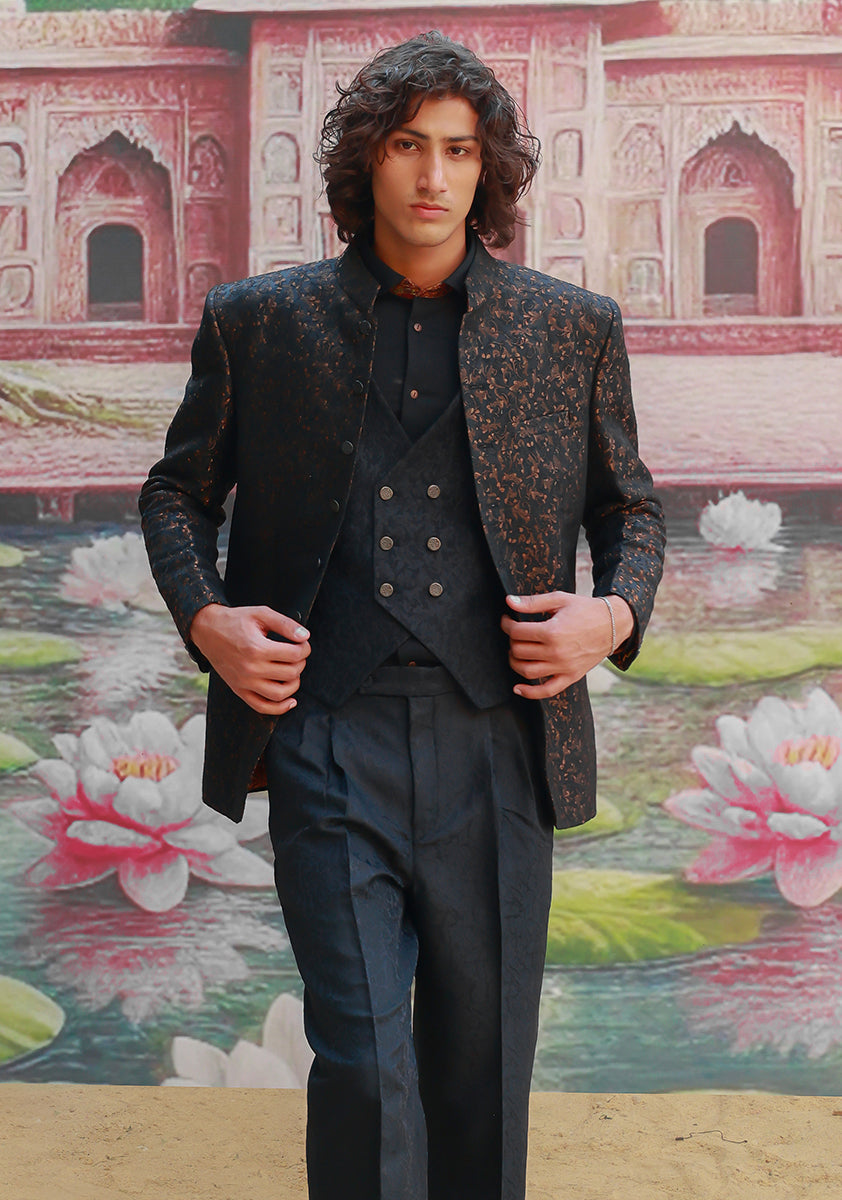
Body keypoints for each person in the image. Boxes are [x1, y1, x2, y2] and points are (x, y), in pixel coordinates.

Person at [139, 30, 665, 1200]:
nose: (432, 175)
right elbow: (176, 493)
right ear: (364, 160)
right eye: (406, 145)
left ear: (489, 169)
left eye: (459, 150)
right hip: (325, 735)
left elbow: (630, 508)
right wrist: (210, 622)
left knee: (480, 1070)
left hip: (498, 737)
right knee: (364, 1066)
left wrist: (612, 617)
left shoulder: (568, 327)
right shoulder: (258, 321)